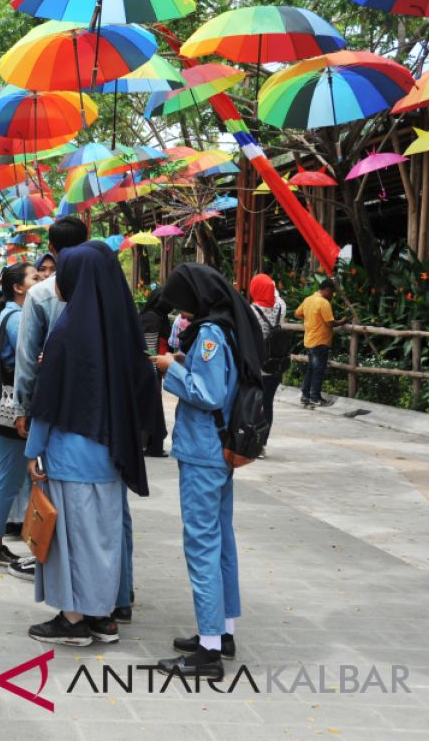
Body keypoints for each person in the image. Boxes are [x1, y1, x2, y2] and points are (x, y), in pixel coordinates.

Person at [25, 242, 165, 648]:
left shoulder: (68, 330)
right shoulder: (121, 329)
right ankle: (103, 616)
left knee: (72, 539)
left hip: (70, 453)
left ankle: (73, 621)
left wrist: (33, 449)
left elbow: (48, 401)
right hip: (112, 453)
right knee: (104, 538)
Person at [152, 263, 265, 680]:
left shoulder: (212, 335)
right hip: (218, 450)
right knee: (221, 542)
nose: (181, 313)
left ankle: (208, 650)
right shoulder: (226, 326)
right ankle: (223, 631)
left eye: (183, 306)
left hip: (204, 451)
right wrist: (185, 361)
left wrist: (171, 368)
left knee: (201, 543)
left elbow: (209, 393)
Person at [8, 215, 89, 581]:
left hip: (52, 407)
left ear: (52, 250)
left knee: (53, 493)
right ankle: (117, 593)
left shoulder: (43, 294)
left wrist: (22, 408)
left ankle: (55, 574)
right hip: (98, 414)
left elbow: (27, 357)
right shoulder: (107, 287)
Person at [0, 262, 38, 568]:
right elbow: (26, 360)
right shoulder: (16, 318)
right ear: (18, 287)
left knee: (10, 479)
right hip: (12, 410)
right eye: (34, 277)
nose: (40, 281)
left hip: (5, 408)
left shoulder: (6, 314)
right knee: (9, 480)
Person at [248, 273, 288, 452]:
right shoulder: (281, 307)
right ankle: (262, 444)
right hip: (274, 365)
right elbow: (277, 297)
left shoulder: (251, 311)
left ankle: (251, 441)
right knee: (268, 404)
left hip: (256, 365)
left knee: (252, 403)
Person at [294, 277, 345, 407]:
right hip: (320, 341)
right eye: (332, 292)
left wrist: (310, 319)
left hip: (309, 340)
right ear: (327, 290)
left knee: (311, 369)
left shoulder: (308, 300)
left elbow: (297, 314)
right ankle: (315, 397)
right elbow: (330, 323)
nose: (332, 295)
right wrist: (342, 321)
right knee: (318, 370)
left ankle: (305, 395)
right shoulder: (323, 303)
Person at [138, 288, 173, 458]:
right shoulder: (152, 318)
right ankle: (149, 445)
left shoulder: (157, 316)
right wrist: (155, 370)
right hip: (149, 370)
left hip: (154, 369)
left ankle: (151, 444)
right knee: (151, 408)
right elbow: (148, 348)